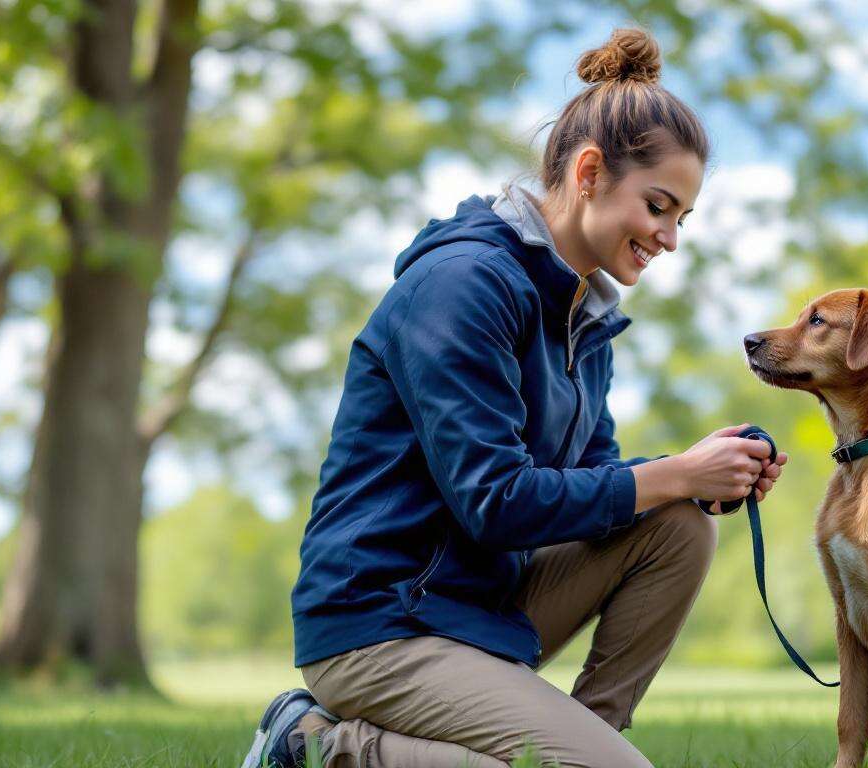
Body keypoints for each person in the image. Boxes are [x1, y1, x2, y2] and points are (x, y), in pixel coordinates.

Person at [242, 27, 789, 768]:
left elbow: (594, 487)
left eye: (680, 218)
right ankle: (313, 745)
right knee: (667, 496)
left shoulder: (583, 317)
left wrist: (701, 474)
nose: (668, 238)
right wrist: (674, 473)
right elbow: (494, 501)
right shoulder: (463, 285)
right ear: (590, 171)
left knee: (678, 524)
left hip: (476, 607)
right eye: (658, 206)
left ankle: (587, 742)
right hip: (382, 621)